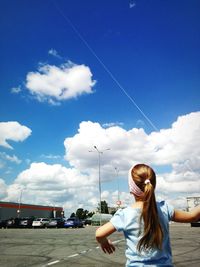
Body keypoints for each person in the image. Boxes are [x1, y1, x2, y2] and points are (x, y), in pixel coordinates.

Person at [96, 163, 200, 267]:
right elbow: (193, 216)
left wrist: (104, 242)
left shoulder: (125, 214)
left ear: (131, 189)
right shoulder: (164, 209)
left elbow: (99, 234)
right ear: (153, 185)